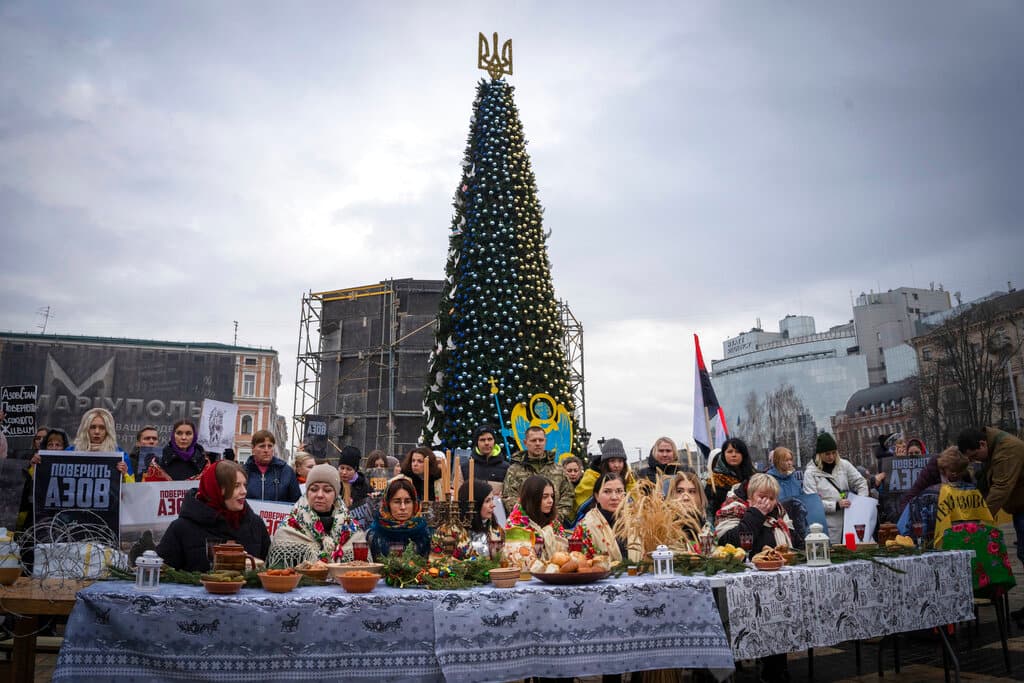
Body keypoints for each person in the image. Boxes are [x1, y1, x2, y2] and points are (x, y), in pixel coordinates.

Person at [156, 460, 270, 572]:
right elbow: (162, 574)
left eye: (245, 485)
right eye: (236, 486)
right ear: (216, 488)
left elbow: (271, 570)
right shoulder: (181, 528)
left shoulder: (256, 524)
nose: (244, 491)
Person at [270, 464, 361, 563]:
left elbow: (364, 570)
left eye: (327, 490)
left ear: (335, 495)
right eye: (314, 489)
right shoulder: (289, 527)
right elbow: (277, 573)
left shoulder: (351, 528)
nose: (320, 495)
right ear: (307, 492)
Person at [958, 426, 1024, 561]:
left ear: (982, 444)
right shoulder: (994, 446)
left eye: (974, 456)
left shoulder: (1007, 451)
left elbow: (1001, 487)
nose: (974, 460)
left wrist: (980, 521)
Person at [802, 432, 867, 544]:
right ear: (819, 454)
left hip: (850, 522)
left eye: (834, 453)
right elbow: (812, 504)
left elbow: (861, 482)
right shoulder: (810, 473)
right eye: (827, 454)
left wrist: (860, 502)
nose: (831, 457)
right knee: (835, 557)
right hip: (828, 527)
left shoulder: (844, 465)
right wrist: (835, 505)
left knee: (852, 552)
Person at [503, 426, 575, 524]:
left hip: (553, 524)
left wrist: (556, 517)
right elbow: (509, 497)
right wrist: (525, 517)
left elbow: (568, 495)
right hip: (525, 525)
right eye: (533, 440)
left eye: (540, 440)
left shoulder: (558, 469)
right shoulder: (514, 470)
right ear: (525, 443)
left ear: (545, 441)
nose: (537, 443)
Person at [572, 472, 641, 565]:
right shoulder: (585, 527)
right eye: (607, 491)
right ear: (597, 496)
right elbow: (577, 564)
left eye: (619, 491)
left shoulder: (636, 522)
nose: (614, 497)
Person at [504, 474, 569, 562]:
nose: (551, 501)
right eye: (545, 497)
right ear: (532, 498)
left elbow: (565, 554)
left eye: (552, 496)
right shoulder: (515, 524)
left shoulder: (553, 522)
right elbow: (520, 560)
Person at [366, 476, 432, 559]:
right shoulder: (374, 534)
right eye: (397, 502)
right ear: (387, 504)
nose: (403, 507)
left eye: (408, 501)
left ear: (415, 504)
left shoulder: (425, 533)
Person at [574, 438, 637, 511]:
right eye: (612, 461)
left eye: (620, 461)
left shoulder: (628, 478)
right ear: (605, 462)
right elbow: (581, 504)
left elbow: (636, 499)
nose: (617, 465)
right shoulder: (591, 477)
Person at [69, 408, 132, 478]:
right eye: (92, 427)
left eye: (102, 428)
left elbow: (131, 486)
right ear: (86, 429)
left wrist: (124, 475)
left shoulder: (121, 456)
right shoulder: (70, 452)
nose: (97, 432)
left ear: (107, 431)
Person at [244, 430, 301, 503]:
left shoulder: (286, 471)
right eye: (262, 446)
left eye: (270, 446)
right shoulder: (243, 472)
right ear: (253, 448)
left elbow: (296, 503)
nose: (266, 450)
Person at [705, 438, 755, 520]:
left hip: (752, 521)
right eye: (730, 451)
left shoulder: (753, 478)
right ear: (723, 454)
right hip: (723, 524)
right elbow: (708, 509)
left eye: (738, 452)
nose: (734, 455)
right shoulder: (715, 480)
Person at [455, 479, 504, 559]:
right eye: (487, 501)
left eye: (492, 499)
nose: (493, 505)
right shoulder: (453, 532)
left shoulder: (496, 530)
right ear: (474, 504)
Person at [460, 424, 510, 494]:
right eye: (482, 440)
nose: (486, 443)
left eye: (490, 439)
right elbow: (457, 493)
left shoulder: (506, 468)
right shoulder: (465, 468)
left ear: (494, 441)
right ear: (477, 443)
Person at [668, 470, 709, 540]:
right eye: (679, 491)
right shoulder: (662, 528)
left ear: (699, 496)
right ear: (672, 494)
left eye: (691, 492)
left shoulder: (707, 528)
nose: (686, 497)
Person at [338, 446, 371, 510]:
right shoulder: (334, 484)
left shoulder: (364, 486)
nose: (344, 472)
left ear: (355, 470)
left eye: (349, 469)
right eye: (342, 468)